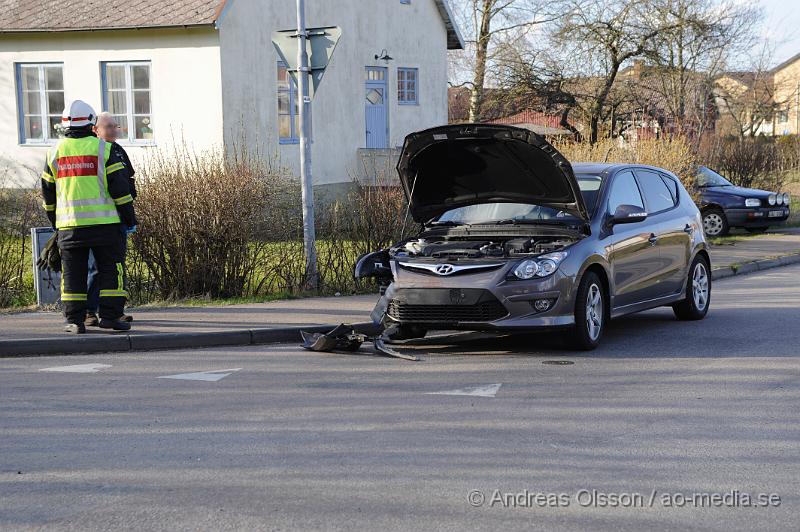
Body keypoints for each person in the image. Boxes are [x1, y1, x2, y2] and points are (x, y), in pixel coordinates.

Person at [41, 100, 137, 334]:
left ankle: (75, 321)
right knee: (111, 270)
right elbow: (121, 191)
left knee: (73, 275)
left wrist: (56, 224)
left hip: (70, 226)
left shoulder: (54, 152)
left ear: (64, 124)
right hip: (106, 225)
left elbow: (48, 195)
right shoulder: (103, 149)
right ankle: (111, 317)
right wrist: (129, 219)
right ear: (91, 123)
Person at [85, 112, 137, 326]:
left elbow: (128, 179)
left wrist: (129, 212)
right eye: (108, 126)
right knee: (95, 269)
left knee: (115, 268)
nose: (114, 130)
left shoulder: (117, 150)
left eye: (115, 126)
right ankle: (89, 312)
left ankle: (115, 310)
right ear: (95, 130)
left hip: (116, 219)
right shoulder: (94, 152)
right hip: (96, 221)